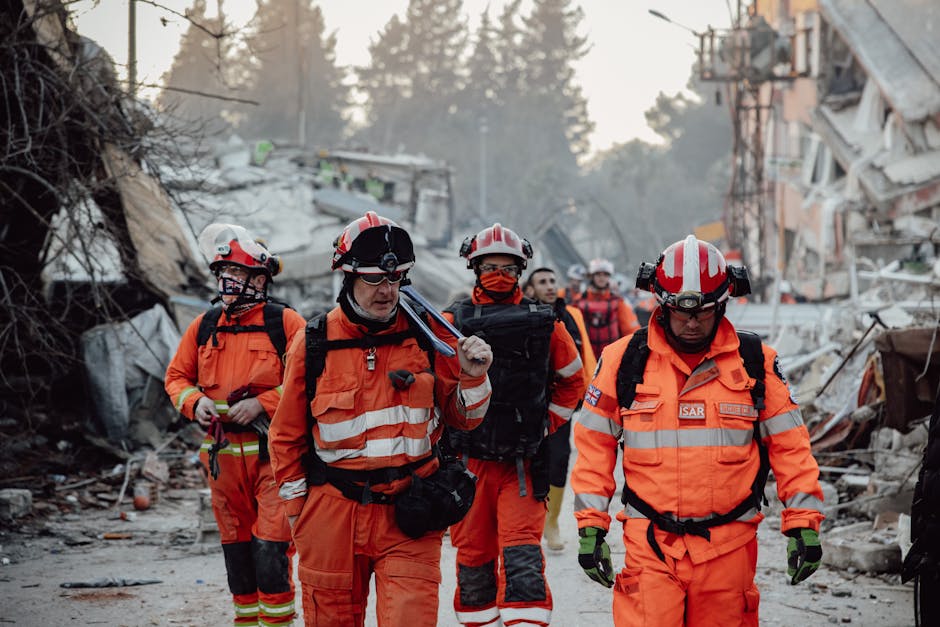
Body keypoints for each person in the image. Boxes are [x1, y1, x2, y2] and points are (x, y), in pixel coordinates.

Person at [571, 235, 824, 626]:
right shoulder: (624, 361)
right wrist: (591, 525)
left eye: (704, 312)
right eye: (681, 312)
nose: (691, 322)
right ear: (661, 304)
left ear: (723, 305)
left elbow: (790, 446)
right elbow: (593, 446)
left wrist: (803, 522)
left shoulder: (755, 363)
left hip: (729, 549)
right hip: (650, 546)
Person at [267, 211, 493, 627]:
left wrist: (474, 379)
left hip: (412, 511)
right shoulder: (313, 342)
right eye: (374, 279)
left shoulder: (430, 336)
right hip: (330, 515)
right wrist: (299, 514)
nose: (386, 291)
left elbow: (464, 421)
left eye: (394, 279)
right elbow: (285, 437)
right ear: (348, 276)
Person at [445, 224, 587, 626]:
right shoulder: (453, 319)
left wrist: (546, 426)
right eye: (490, 266)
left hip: (522, 465)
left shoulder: (545, 322)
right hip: (469, 461)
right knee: (472, 555)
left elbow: (573, 380)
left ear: (521, 270)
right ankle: (478, 620)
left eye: (509, 269)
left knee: (522, 552)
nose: (500, 275)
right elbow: (435, 382)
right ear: (474, 267)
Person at [165, 224, 303, 627]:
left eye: (237, 273)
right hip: (223, 463)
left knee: (270, 550)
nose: (227, 281)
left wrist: (264, 403)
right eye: (223, 272)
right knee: (238, 556)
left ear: (260, 280)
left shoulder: (286, 324)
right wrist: (195, 402)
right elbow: (176, 378)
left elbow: (311, 384)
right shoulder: (205, 325)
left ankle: (276, 623)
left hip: (273, 461)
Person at [524, 266, 596, 551]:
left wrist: (588, 391)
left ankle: (551, 521)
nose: (551, 285)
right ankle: (530, 519)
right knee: (528, 462)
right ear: (530, 290)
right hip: (527, 403)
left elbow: (584, 354)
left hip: (560, 402)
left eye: (553, 280)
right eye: (543, 281)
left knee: (560, 459)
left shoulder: (571, 315)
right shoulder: (521, 315)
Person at [575, 257, 640, 358]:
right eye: (598, 274)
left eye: (605, 274)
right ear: (592, 276)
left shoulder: (618, 302)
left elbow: (630, 331)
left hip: (611, 357)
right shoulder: (579, 301)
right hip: (587, 357)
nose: (602, 278)